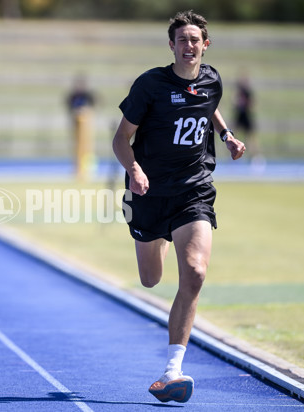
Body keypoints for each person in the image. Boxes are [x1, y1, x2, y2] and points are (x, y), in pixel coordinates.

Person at [112, 11, 245, 403]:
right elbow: (121, 138)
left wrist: (227, 135)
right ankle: (163, 235)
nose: (189, 46)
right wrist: (134, 169)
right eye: (181, 40)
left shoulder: (212, 79)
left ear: (206, 45)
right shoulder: (150, 85)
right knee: (151, 279)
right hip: (148, 192)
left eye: (195, 39)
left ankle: (172, 370)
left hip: (194, 191)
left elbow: (209, 105)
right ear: (171, 46)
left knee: (196, 273)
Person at [66, 73, 96, 181]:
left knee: (86, 147)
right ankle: (77, 169)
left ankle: (87, 169)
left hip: (86, 124)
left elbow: (93, 106)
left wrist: (85, 111)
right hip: (76, 123)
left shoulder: (88, 95)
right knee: (77, 147)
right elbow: (69, 107)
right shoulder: (73, 95)